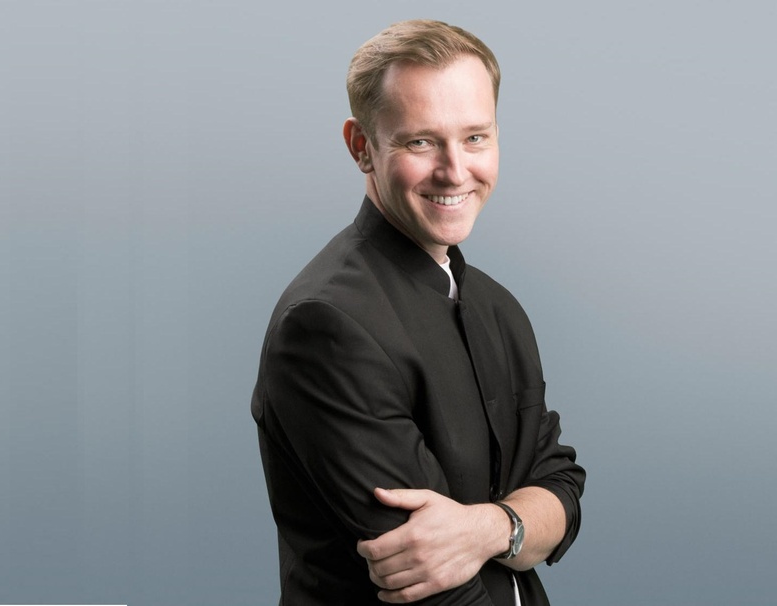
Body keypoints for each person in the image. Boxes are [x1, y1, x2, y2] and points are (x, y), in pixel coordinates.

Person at [250, 19, 585, 605]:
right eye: (421, 142)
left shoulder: (498, 308)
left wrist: (490, 527)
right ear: (362, 147)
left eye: (475, 137)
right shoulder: (327, 325)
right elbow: (428, 582)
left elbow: (562, 490)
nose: (455, 171)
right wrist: (520, 525)